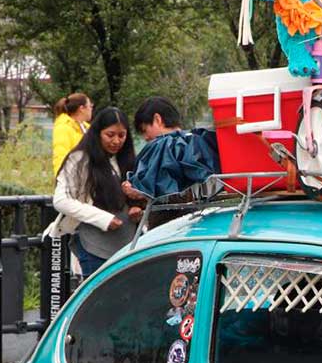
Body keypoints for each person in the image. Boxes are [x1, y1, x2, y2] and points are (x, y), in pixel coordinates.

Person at [51, 107, 143, 277]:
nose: (116, 141)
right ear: (97, 133)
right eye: (110, 135)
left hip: (128, 245)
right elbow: (61, 200)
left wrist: (137, 208)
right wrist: (103, 219)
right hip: (93, 246)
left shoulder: (127, 159)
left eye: (121, 135)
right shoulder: (79, 159)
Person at [128, 96, 220, 198]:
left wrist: (136, 187)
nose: (145, 137)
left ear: (157, 119)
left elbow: (153, 185)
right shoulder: (200, 138)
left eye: (144, 130)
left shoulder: (163, 146)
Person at [51, 92, 93, 176]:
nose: (91, 109)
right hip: (71, 179)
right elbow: (60, 156)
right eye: (90, 106)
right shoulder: (63, 128)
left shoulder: (87, 128)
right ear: (82, 108)